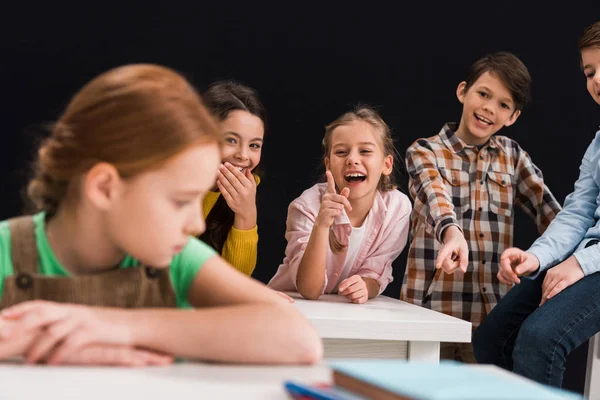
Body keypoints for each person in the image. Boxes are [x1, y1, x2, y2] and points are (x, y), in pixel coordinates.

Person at [0, 64, 322, 366]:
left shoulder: (180, 260)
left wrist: (113, 326)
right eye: (181, 201)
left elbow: (299, 339)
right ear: (105, 188)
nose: (196, 223)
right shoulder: (7, 248)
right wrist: (44, 340)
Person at [401, 52, 561, 362]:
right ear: (463, 91)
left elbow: (551, 214)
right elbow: (437, 198)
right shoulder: (425, 151)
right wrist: (451, 232)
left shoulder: (512, 156)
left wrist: (552, 259)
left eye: (503, 104)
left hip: (490, 321)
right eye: (483, 94)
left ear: (513, 116)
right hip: (432, 315)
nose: (489, 108)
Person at [473, 21, 600, 388]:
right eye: (589, 72)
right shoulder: (597, 143)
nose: (595, 80)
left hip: (591, 262)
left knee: (540, 340)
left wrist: (579, 263)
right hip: (585, 256)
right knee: (490, 338)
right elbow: (577, 210)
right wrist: (539, 257)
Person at [268, 106, 411, 303]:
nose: (352, 159)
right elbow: (309, 290)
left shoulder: (398, 208)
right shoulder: (306, 206)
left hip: (343, 312)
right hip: (292, 307)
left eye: (365, 151)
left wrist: (365, 287)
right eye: (341, 152)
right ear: (328, 165)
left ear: (387, 164)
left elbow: (376, 271)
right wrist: (321, 225)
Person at [200, 81, 265, 276]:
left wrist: (246, 214)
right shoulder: (168, 181)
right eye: (231, 140)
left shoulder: (246, 189)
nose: (243, 156)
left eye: (254, 145)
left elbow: (236, 277)